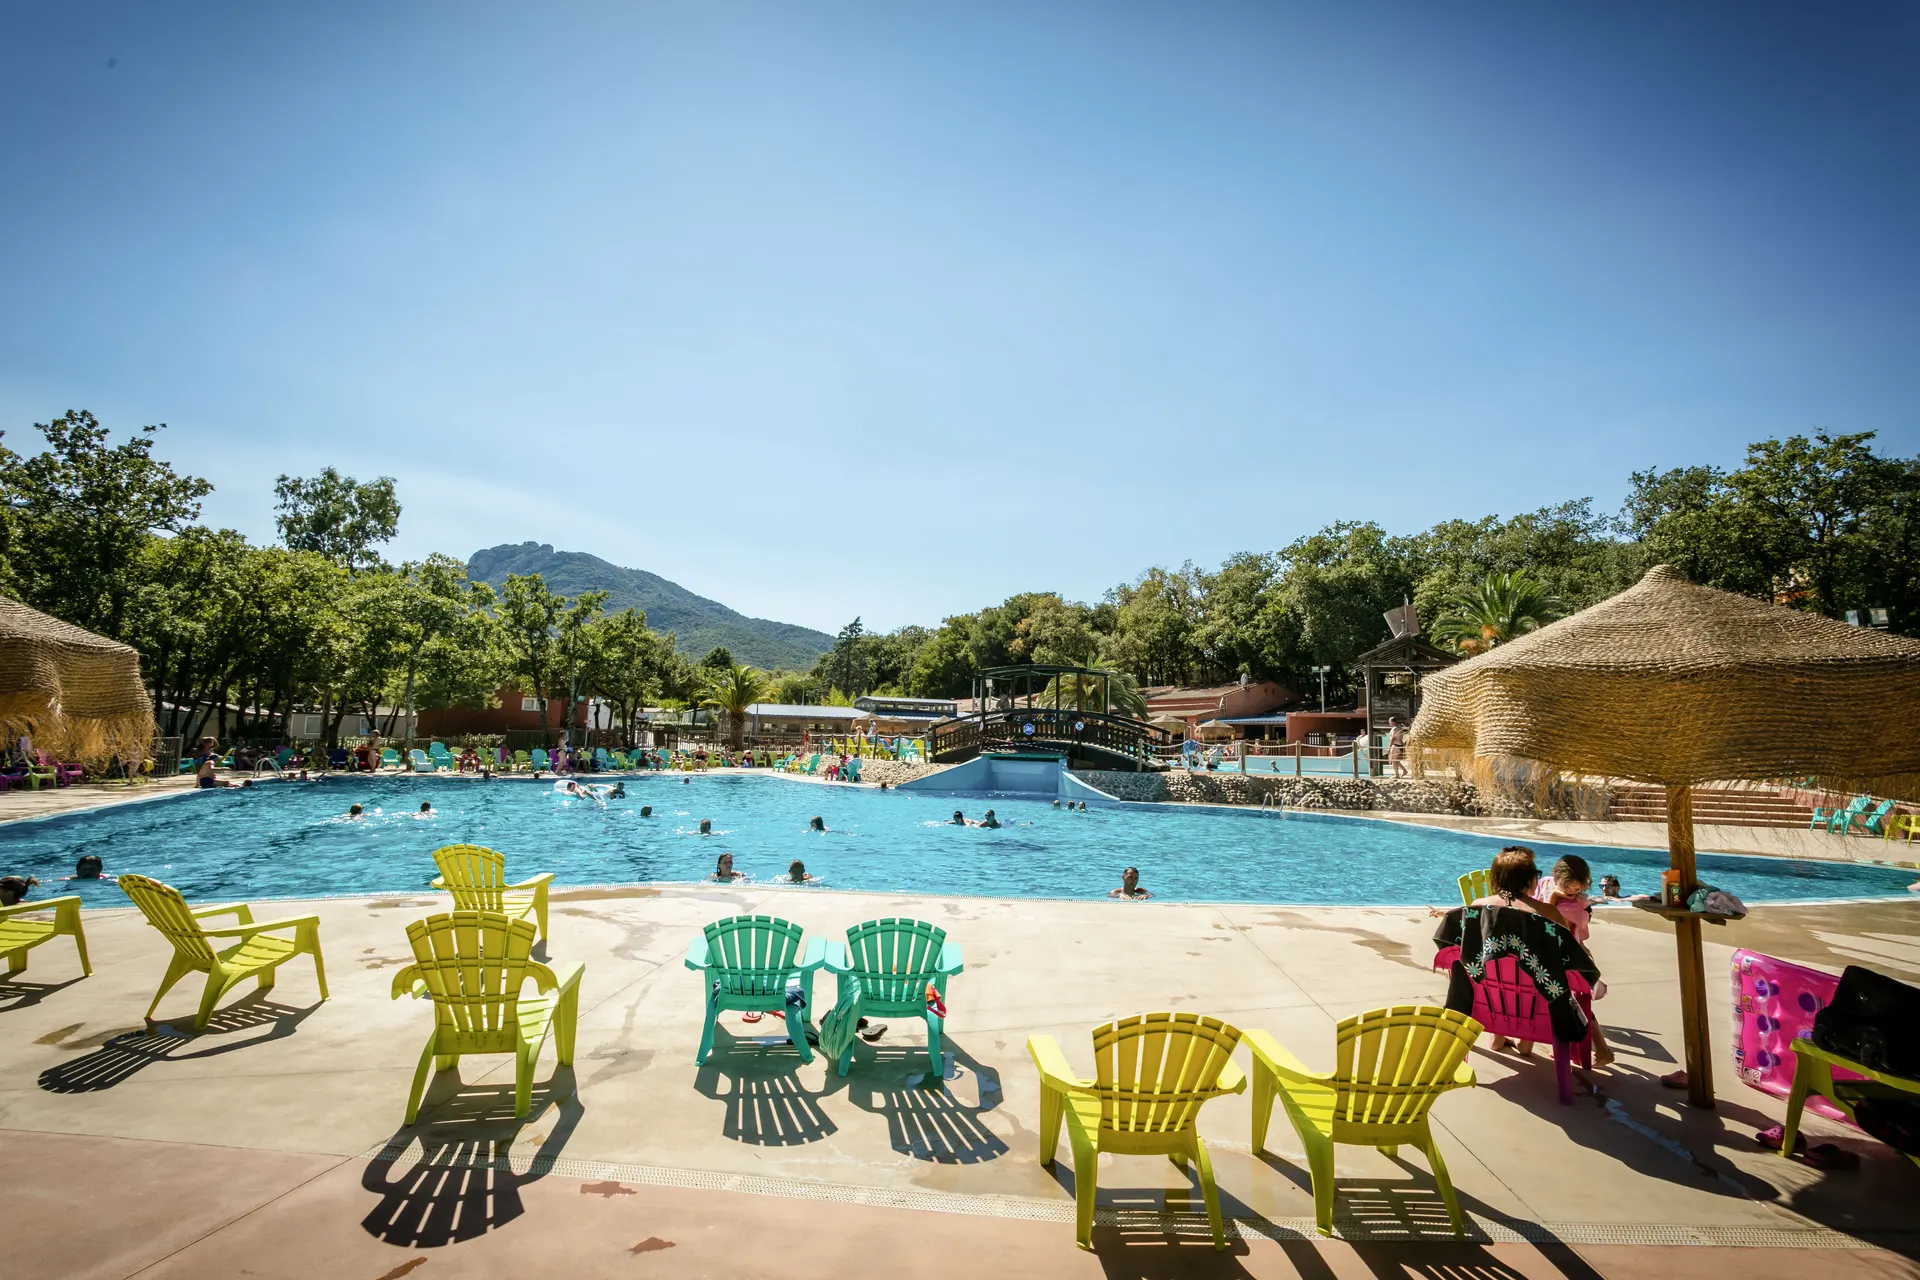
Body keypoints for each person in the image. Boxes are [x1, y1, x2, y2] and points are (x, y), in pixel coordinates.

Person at [1434, 846, 1599, 1058]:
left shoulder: (1476, 910)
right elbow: (1568, 962)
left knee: (1505, 972)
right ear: (1530, 880)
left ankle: (1499, 1036)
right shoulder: (1548, 914)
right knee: (1537, 978)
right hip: (1537, 1013)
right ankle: (1524, 1042)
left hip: (1487, 1004)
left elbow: (1457, 957)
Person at [1533, 854, 1614, 1066]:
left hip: (1566, 956)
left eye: (1577, 890)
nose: (1572, 893)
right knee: (1565, 1001)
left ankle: (1602, 1050)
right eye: (1568, 888)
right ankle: (1570, 1046)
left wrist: (1553, 900)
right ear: (1555, 877)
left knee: (1573, 1001)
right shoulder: (1545, 884)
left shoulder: (1576, 905)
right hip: (1555, 953)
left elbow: (1544, 920)